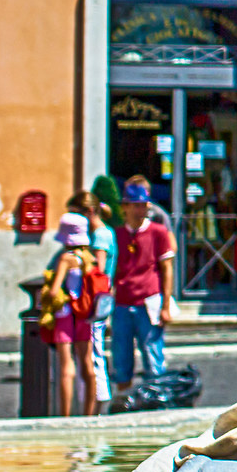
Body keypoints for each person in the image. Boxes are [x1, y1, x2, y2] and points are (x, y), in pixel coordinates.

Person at [39, 213, 111, 417]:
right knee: (87, 364)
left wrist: (49, 293)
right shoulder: (89, 259)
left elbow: (53, 291)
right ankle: (88, 416)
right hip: (84, 316)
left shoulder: (66, 258)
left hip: (65, 315)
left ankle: (66, 416)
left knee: (67, 366)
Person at [108, 177, 175, 393]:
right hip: (121, 304)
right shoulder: (116, 235)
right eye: (135, 205)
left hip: (149, 302)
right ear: (125, 207)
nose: (140, 210)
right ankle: (123, 400)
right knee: (121, 359)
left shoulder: (158, 232)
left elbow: (167, 268)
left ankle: (156, 399)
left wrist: (165, 306)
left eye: (143, 205)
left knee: (153, 357)